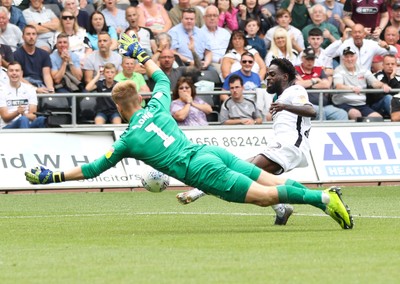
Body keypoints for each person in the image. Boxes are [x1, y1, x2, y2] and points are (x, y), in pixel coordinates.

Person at [24, 33, 354, 231]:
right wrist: (140, 54)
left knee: (266, 197)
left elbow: (93, 169)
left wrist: (53, 177)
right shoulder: (156, 106)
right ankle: (323, 196)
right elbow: (164, 79)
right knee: (275, 182)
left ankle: (324, 200)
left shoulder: (127, 140)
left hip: (200, 170)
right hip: (208, 150)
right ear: (140, 98)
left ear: (119, 109)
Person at [177, 58, 319, 226]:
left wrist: (284, 106)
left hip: (289, 147)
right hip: (282, 147)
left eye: (272, 74)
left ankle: (323, 199)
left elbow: (311, 111)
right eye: (267, 75)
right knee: (247, 174)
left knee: (237, 173)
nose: (268, 78)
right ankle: (281, 208)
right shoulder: (282, 96)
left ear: (285, 77)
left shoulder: (295, 90)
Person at [333, 46, 391, 120]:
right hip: (344, 103)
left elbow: (374, 82)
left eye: (351, 56)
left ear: (356, 57)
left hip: (361, 104)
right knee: (356, 114)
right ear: (343, 59)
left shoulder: (363, 69)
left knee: (378, 118)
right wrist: (352, 88)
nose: (349, 59)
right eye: (347, 57)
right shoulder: (338, 70)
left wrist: (383, 85)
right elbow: (338, 86)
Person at [295, 47, 348, 121]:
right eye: (308, 59)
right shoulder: (296, 69)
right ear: (302, 58)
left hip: (324, 105)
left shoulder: (318, 69)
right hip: (305, 105)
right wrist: (315, 80)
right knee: (320, 112)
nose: (310, 62)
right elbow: (298, 84)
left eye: (312, 59)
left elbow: (326, 85)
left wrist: (306, 83)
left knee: (342, 114)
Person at [324, 24, 398, 71]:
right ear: (351, 34)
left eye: (360, 32)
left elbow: (394, 51)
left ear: (364, 34)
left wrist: (387, 47)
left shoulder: (371, 44)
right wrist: (342, 40)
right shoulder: (344, 44)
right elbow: (327, 53)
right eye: (355, 32)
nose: (357, 34)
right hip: (347, 81)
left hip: (365, 81)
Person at [0, 61, 47, 129]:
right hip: (8, 126)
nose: (14, 73)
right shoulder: (1, 90)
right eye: (11, 71)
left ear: (21, 73)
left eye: (17, 70)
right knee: (23, 119)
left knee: (42, 119)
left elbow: (33, 116)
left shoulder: (30, 89)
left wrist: (23, 114)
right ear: (7, 73)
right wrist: (17, 112)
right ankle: (26, 139)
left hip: (27, 123)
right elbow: (5, 118)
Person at [14, 25, 54, 94]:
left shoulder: (44, 54)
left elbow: (47, 75)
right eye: (28, 34)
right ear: (23, 37)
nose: (31, 37)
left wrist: (50, 88)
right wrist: (35, 89)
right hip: (24, 86)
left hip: (40, 84)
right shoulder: (16, 54)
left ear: (37, 36)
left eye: (33, 34)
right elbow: (19, 78)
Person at [201, 5, 231, 73]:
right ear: (204, 18)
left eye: (215, 16)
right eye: (209, 16)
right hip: (212, 64)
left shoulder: (225, 33)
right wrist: (219, 60)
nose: (212, 18)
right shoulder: (199, 34)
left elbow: (231, 49)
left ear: (218, 17)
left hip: (229, 60)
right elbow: (202, 54)